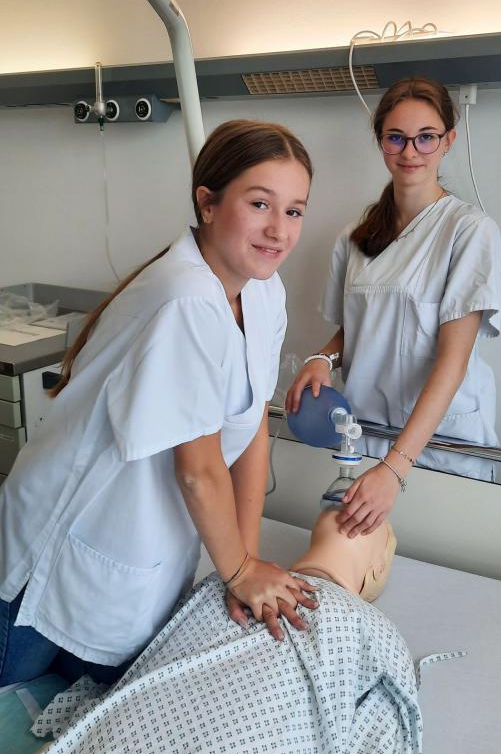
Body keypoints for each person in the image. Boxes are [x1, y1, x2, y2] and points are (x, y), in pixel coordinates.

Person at [0, 119, 319, 688]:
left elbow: (252, 426)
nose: (279, 229)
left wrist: (244, 561)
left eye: (294, 211)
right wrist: (240, 570)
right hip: (52, 561)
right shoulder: (186, 298)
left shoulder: (264, 293)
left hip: (133, 563)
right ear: (208, 203)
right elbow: (197, 470)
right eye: (260, 204)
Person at [2, 512, 418, 754]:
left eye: (368, 521)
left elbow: (158, 658)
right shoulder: (235, 581)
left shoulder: (232, 582)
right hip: (196, 739)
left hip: (206, 740)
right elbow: (385, 738)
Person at [287, 77, 501, 539]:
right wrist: (322, 358)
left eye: (426, 137)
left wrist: (395, 467)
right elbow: (356, 329)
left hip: (439, 446)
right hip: (366, 439)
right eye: (397, 138)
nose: (410, 151)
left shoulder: (469, 232)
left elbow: (453, 360)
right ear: (380, 141)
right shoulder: (355, 238)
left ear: (448, 140)